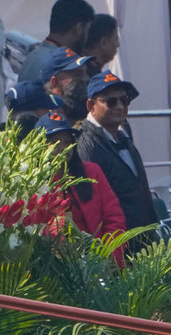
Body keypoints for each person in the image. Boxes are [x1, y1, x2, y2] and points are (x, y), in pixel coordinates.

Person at [76, 70, 158, 251]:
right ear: (91, 105)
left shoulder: (122, 135)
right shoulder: (87, 145)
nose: (120, 106)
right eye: (111, 102)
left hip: (142, 241)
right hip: (120, 247)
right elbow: (94, 206)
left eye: (125, 100)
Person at [36, 112, 127, 265]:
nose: (63, 148)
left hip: (99, 263)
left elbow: (115, 220)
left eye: (66, 142)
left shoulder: (92, 172)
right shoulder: (34, 181)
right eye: (55, 143)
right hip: (55, 269)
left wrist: (108, 259)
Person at [18, 0, 95, 83]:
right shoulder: (60, 69)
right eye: (87, 29)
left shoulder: (32, 57)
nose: (87, 37)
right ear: (78, 29)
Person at [40, 46, 92, 124]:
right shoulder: (43, 125)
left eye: (85, 72)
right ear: (55, 83)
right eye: (78, 74)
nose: (86, 78)